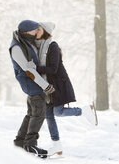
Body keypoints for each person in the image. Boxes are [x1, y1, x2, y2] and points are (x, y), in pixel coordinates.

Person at [34, 22, 97, 156]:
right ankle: (56, 145)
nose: (36, 32)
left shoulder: (53, 46)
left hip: (58, 85)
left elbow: (53, 68)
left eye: (38, 29)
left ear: (45, 31)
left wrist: (34, 69)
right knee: (49, 115)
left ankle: (84, 111)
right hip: (48, 86)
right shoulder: (39, 47)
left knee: (59, 112)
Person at [8, 20, 55, 159]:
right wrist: (45, 85)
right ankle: (30, 145)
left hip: (33, 82)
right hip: (31, 82)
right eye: (35, 30)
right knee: (39, 113)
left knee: (31, 113)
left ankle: (20, 142)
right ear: (27, 31)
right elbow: (28, 70)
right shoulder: (16, 47)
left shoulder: (25, 42)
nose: (36, 32)